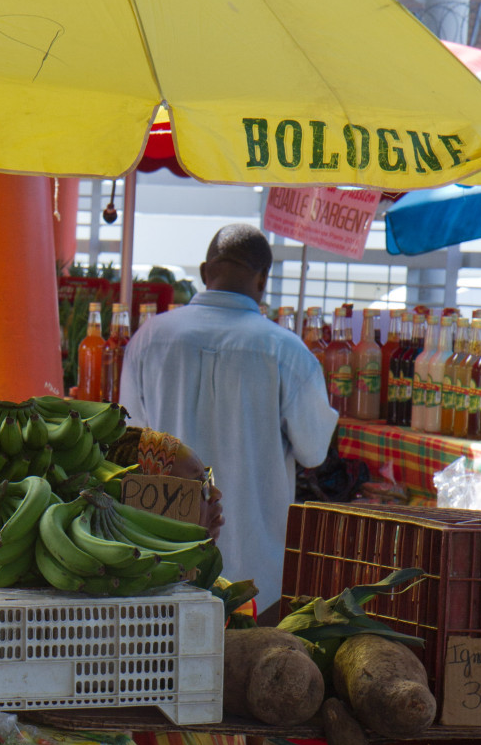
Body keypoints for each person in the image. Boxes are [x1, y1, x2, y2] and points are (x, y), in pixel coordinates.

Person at [119, 223, 337, 614]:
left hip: (168, 563)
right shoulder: (287, 352)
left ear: (206, 272)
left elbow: (131, 442)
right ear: (263, 280)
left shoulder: (149, 339)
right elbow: (314, 451)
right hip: (259, 579)